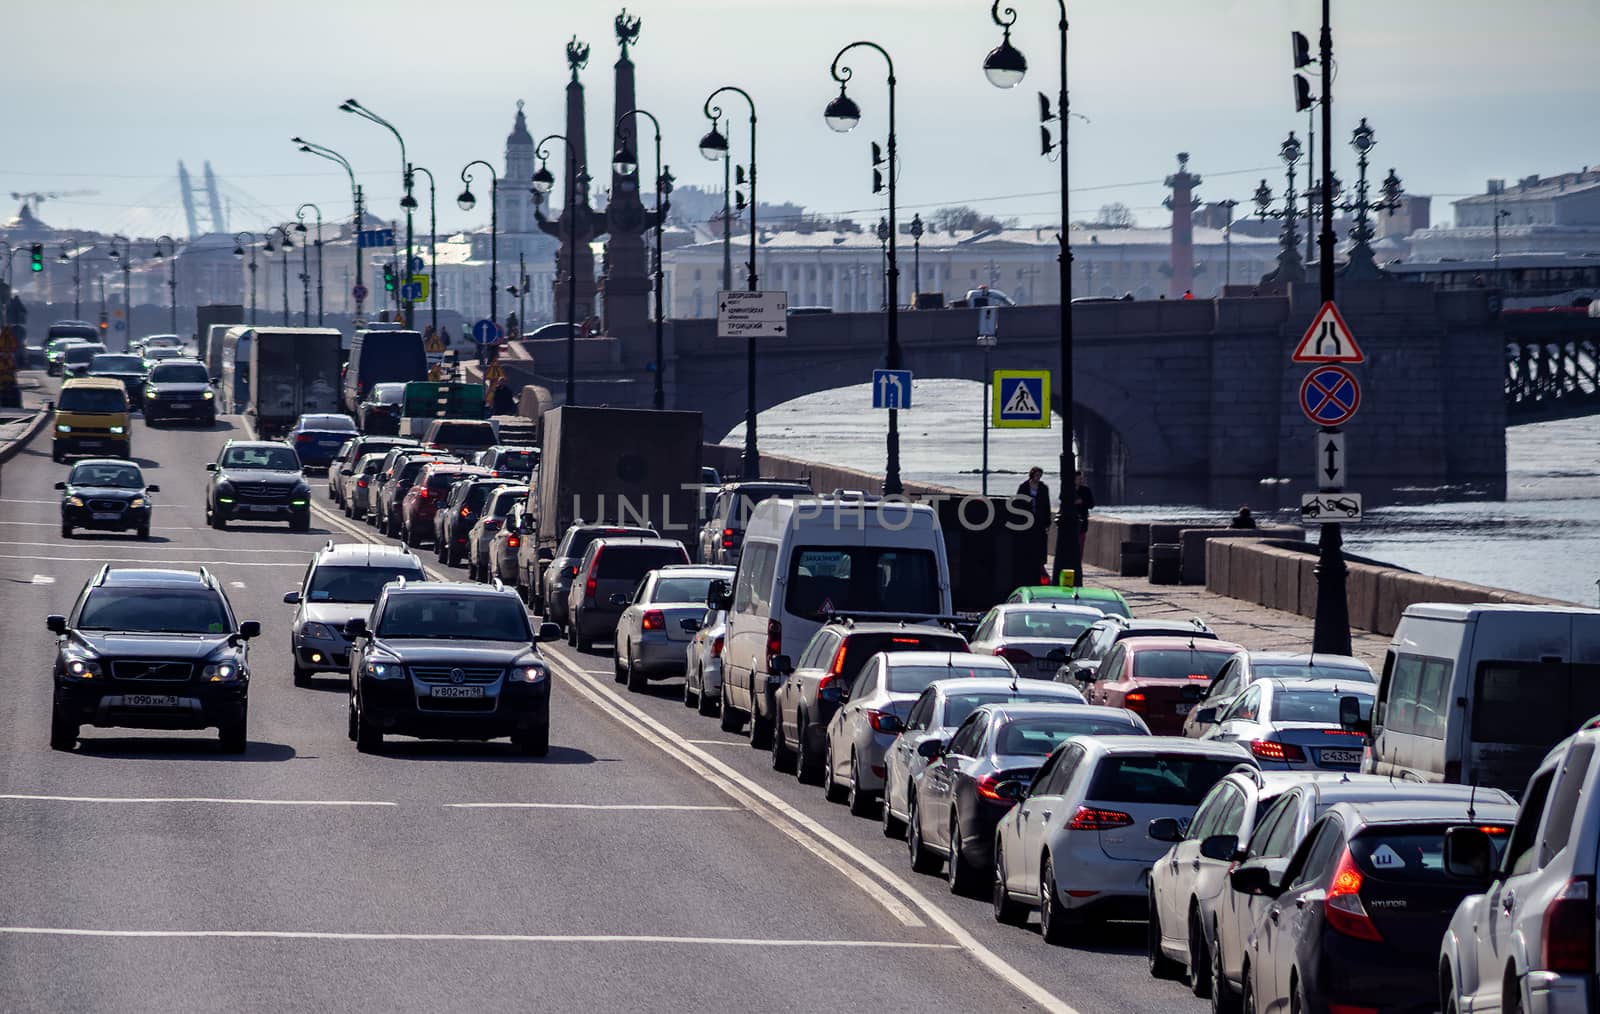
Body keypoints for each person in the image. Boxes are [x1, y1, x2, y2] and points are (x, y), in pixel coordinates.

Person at [1015, 467, 1053, 577]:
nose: (1038, 477)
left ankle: (1040, 565)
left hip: (1039, 519)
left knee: (1040, 542)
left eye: (1040, 475)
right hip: (1027, 519)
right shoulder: (1023, 487)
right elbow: (1018, 503)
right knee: (1027, 541)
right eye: (1037, 475)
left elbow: (1047, 504)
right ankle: (1027, 561)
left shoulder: (1043, 488)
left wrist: (1047, 522)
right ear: (1032, 475)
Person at [1073, 471, 1095, 558]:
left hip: (1082, 522)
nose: (1081, 480)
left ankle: (1078, 564)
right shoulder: (1068, 489)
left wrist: (1082, 502)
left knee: (1080, 544)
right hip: (1070, 521)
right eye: (1079, 479)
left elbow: (1091, 504)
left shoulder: (1086, 490)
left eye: (1081, 479)